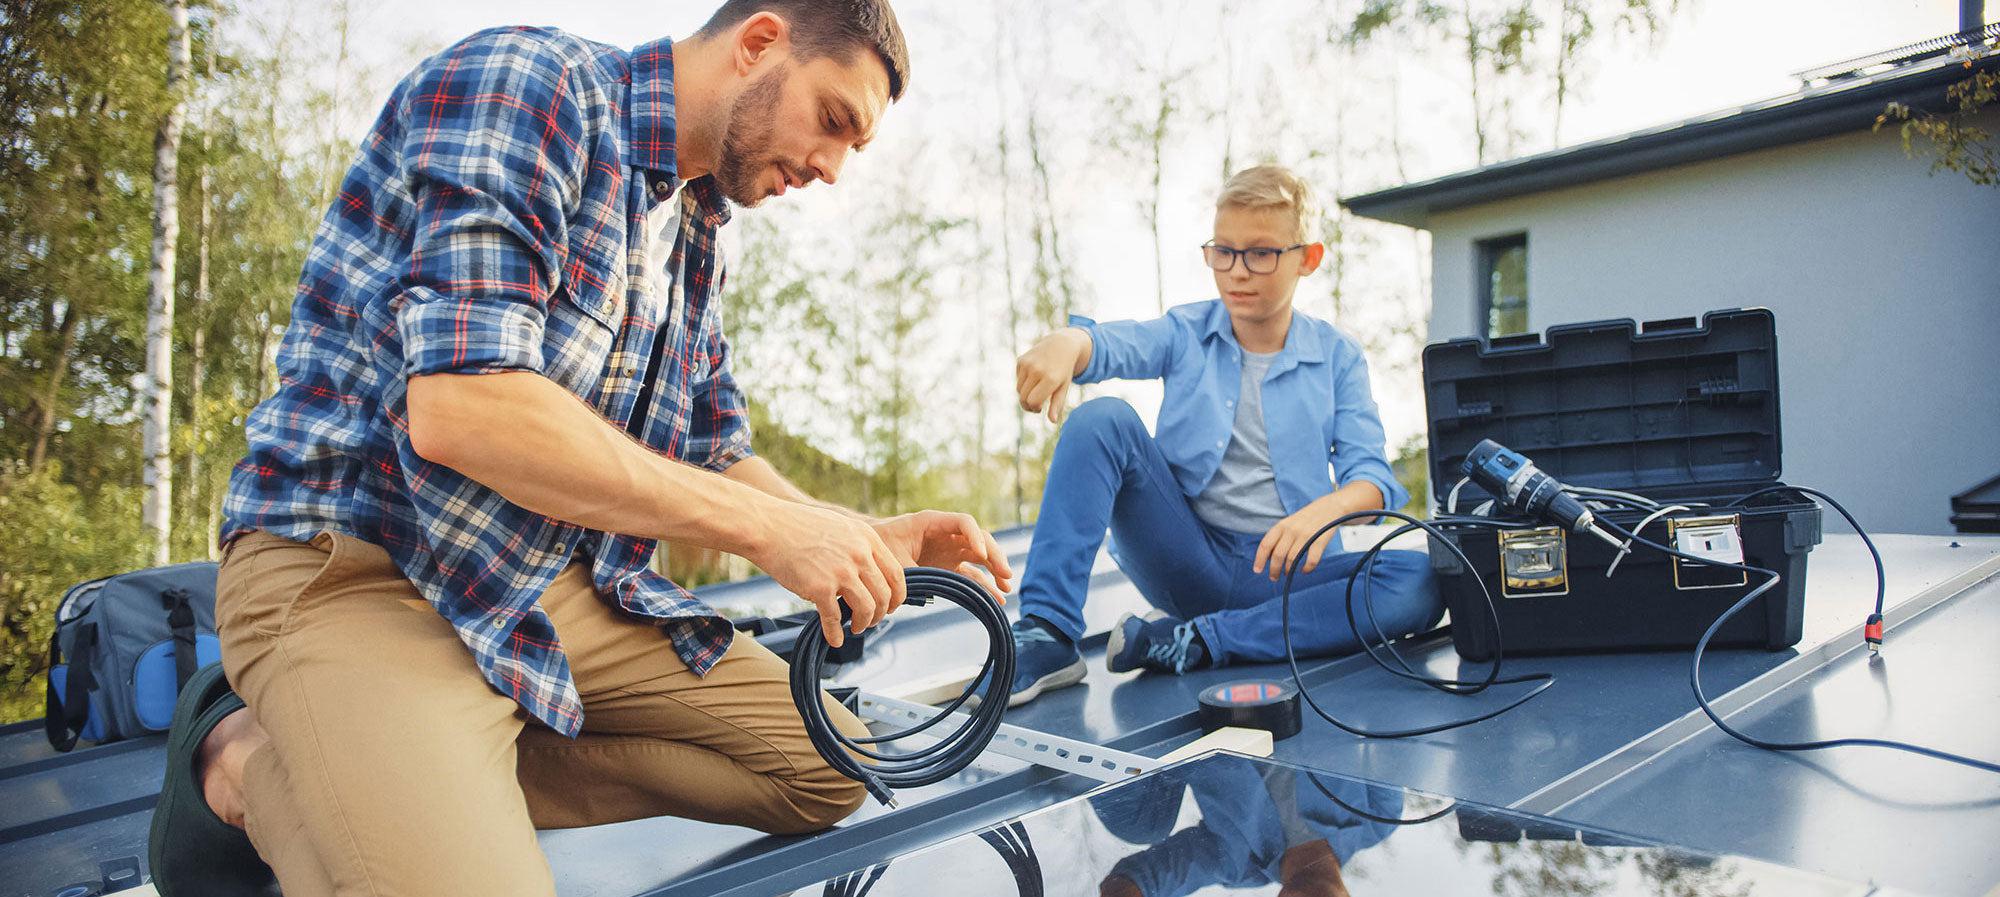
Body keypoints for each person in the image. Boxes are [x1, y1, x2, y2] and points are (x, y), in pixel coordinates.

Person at [146, 3, 1015, 896]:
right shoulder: (533, 89)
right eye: (834, 121)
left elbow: (713, 450)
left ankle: (368, 758)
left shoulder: (694, 225)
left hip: (538, 583)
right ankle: (244, 762)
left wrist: (857, 535)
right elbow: (464, 405)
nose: (832, 168)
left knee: (833, 763)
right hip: (362, 570)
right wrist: (766, 532)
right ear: (760, 43)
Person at [997, 164, 1440, 706]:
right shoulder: (1187, 332)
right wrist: (1071, 341)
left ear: (1308, 258)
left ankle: (1197, 642)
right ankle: (1047, 633)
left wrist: (1326, 510)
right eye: (1223, 252)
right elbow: (1116, 344)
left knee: (1421, 578)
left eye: (1260, 253)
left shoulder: (1337, 357)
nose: (1237, 272)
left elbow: (1371, 479)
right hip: (1190, 559)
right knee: (1103, 419)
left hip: (1288, 581)